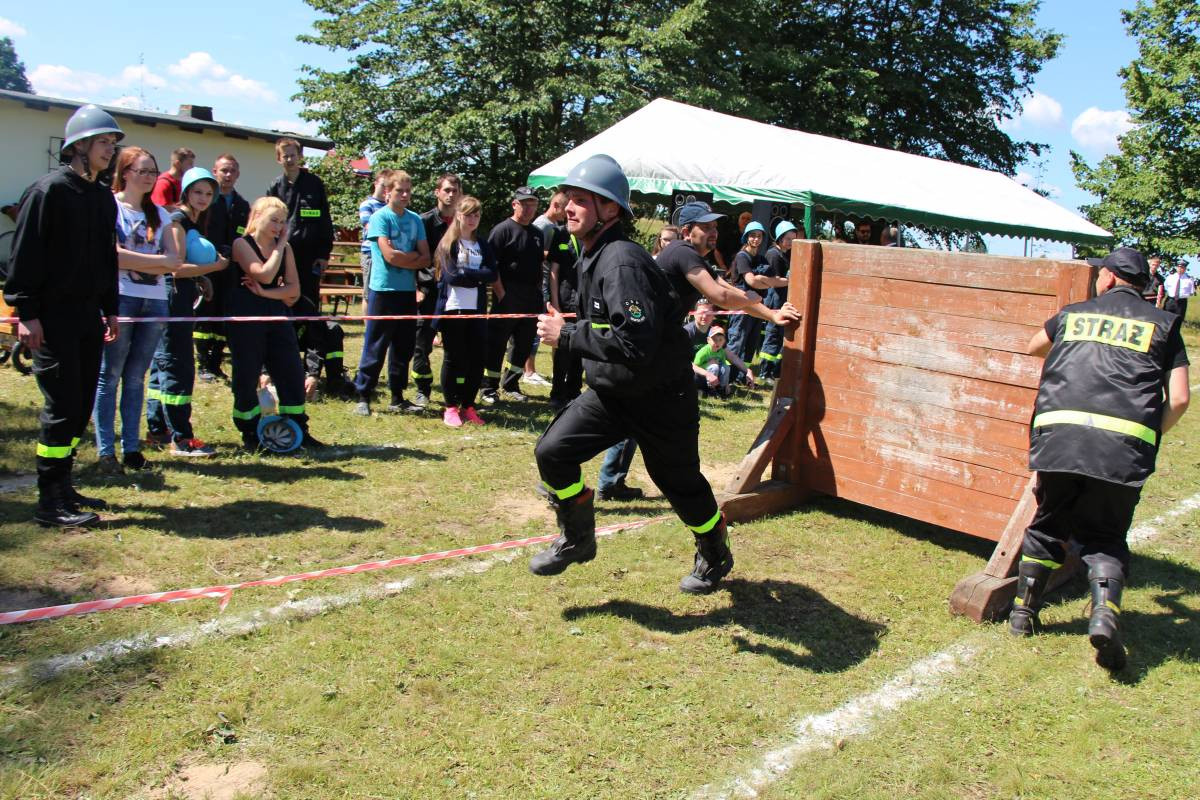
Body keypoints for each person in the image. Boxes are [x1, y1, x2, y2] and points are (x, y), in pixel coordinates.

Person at [531, 155, 774, 594]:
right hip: (613, 392)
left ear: (610, 210)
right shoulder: (590, 253)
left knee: (679, 483)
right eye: (569, 198)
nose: (569, 206)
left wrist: (567, 336)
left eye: (582, 200)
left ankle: (715, 549)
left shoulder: (621, 260)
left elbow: (634, 345)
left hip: (662, 396)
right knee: (552, 452)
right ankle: (578, 537)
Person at [1008, 247, 1189, 671]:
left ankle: (1022, 615)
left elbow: (1035, 346)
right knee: (1105, 536)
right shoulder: (1165, 325)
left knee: (1049, 524)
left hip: (1060, 441)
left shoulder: (1074, 315)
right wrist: (1145, 436)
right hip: (1122, 451)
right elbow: (1179, 398)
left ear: (1106, 278)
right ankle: (1104, 614)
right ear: (1143, 285)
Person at [4, 104, 123, 526]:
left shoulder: (100, 197)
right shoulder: (48, 192)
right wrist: (26, 312)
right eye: (104, 142)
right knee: (62, 405)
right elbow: (25, 256)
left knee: (80, 405)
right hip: (52, 318)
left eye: (112, 143)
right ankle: (48, 502)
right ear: (80, 146)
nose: (110, 150)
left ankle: (64, 488)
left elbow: (106, 260)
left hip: (89, 317)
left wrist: (111, 309)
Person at [93, 146, 180, 475]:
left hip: (155, 300)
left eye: (152, 171)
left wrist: (154, 263)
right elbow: (112, 256)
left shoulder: (162, 213)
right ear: (125, 172)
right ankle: (105, 450)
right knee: (109, 376)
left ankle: (131, 449)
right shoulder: (110, 206)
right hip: (120, 297)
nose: (148, 177)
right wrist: (158, 262)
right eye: (142, 170)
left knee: (135, 378)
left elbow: (175, 260)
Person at [227, 197, 322, 450]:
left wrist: (265, 293)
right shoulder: (241, 244)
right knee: (246, 377)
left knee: (290, 371)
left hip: (277, 315)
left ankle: (297, 427)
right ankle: (250, 431)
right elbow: (265, 273)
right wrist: (279, 249)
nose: (279, 228)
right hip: (246, 318)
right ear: (257, 217)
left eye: (282, 222)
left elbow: (293, 291)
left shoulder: (286, 248)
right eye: (274, 221)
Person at [146, 167, 229, 457]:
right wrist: (214, 268)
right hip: (172, 300)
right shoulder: (178, 220)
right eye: (198, 192)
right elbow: (175, 267)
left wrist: (201, 278)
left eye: (208, 193)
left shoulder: (192, 219)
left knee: (162, 366)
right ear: (186, 192)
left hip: (178, 296)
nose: (203, 198)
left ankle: (158, 429)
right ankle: (182, 438)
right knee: (177, 365)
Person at [352, 171, 430, 415]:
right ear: (388, 192)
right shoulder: (380, 218)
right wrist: (410, 259)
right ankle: (363, 395)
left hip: (407, 292)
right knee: (375, 345)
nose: (405, 195)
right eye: (400, 190)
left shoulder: (415, 219)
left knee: (403, 347)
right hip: (382, 290)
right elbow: (388, 255)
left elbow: (426, 257)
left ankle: (398, 397)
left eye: (408, 190)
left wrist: (403, 258)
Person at [266, 137, 335, 399]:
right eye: (285, 155)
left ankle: (312, 371)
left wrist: (324, 254)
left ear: (300, 156)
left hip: (309, 261)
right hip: (280, 259)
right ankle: (278, 367)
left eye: (294, 154)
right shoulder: (275, 186)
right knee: (281, 312)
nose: (290, 159)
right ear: (278, 158)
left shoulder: (314, 184)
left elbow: (325, 221)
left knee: (310, 313)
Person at [433, 195, 495, 427]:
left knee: (477, 359)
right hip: (453, 309)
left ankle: (469, 406)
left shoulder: (483, 244)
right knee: (453, 358)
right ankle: (450, 407)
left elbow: (492, 274)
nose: (473, 219)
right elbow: (450, 276)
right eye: (468, 214)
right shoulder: (448, 243)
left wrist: (468, 274)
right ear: (459, 215)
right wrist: (476, 277)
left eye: (476, 215)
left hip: (477, 310)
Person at [481, 187, 544, 404]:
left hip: (531, 298)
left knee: (523, 345)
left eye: (533, 204)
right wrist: (502, 294)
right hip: (507, 297)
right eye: (524, 204)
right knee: (496, 343)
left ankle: (511, 384)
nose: (528, 208)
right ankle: (488, 388)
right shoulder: (502, 230)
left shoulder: (538, 234)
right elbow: (491, 266)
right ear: (514, 204)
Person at [194, 153, 250, 382]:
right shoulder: (206, 203)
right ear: (214, 172)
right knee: (205, 315)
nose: (228, 175)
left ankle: (216, 362)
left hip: (231, 268)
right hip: (208, 266)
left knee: (225, 316)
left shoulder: (243, 205)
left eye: (232, 171)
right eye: (224, 170)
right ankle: (203, 363)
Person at [415, 172, 462, 405]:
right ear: (437, 192)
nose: (451, 195)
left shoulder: (465, 223)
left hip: (455, 295)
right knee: (422, 344)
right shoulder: (423, 222)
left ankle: (454, 393)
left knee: (455, 347)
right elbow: (417, 257)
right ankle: (423, 389)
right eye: (446, 190)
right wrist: (418, 286)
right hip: (429, 291)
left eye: (455, 191)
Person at [541, 190, 583, 411]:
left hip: (584, 302)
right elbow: (554, 271)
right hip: (565, 300)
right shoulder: (559, 233)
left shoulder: (588, 234)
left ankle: (574, 392)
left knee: (581, 347)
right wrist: (554, 303)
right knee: (562, 348)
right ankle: (557, 393)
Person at [727, 221, 781, 378]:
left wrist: (764, 279)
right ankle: (728, 377)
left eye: (759, 236)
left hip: (757, 305)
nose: (756, 239)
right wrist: (764, 280)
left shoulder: (762, 259)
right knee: (737, 340)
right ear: (746, 238)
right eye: (752, 236)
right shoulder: (742, 257)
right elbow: (751, 281)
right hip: (741, 306)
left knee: (751, 342)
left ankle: (743, 376)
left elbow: (772, 281)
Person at [757, 220, 799, 382]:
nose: (791, 243)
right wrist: (788, 279)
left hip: (782, 299)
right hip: (774, 299)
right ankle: (764, 371)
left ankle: (774, 371)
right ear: (780, 238)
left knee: (779, 335)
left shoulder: (785, 253)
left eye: (793, 239)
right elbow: (772, 280)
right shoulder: (774, 254)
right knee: (773, 334)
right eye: (788, 239)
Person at [358, 168, 394, 297]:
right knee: (369, 294)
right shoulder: (367, 204)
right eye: (382, 185)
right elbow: (369, 226)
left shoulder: (392, 206)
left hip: (389, 252)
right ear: (375, 184)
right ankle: (367, 318)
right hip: (371, 253)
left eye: (388, 187)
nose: (385, 190)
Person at [692, 325, 752, 396]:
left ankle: (722, 389)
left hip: (716, 375)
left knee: (726, 367)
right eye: (714, 339)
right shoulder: (703, 352)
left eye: (720, 340)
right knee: (714, 367)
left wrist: (727, 384)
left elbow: (724, 365)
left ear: (724, 341)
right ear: (708, 340)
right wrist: (707, 364)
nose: (717, 342)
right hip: (702, 376)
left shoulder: (722, 351)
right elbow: (695, 366)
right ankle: (711, 389)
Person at [150, 147, 195, 212]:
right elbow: (160, 209)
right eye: (190, 164)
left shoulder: (185, 182)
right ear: (177, 164)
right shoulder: (163, 183)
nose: (192, 167)